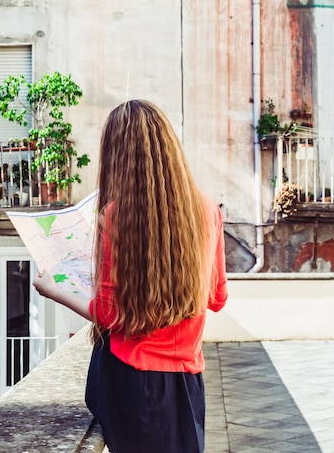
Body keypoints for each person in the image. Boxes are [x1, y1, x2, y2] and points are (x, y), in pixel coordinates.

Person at [33, 99, 228, 453]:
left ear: (116, 155)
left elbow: (109, 315)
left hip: (132, 387)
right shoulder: (207, 209)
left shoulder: (117, 215)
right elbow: (216, 299)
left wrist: (54, 290)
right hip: (187, 387)